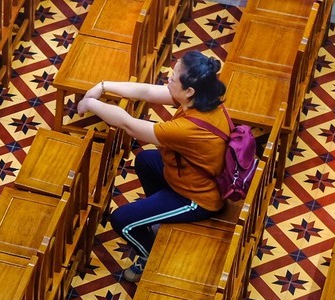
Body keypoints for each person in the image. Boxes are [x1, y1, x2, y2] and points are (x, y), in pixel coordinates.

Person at [77, 51, 231, 282]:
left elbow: (128, 124)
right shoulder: (202, 101)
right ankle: (160, 218)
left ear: (189, 91)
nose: (169, 76)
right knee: (145, 160)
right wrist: (102, 86)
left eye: (175, 75)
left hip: (197, 199)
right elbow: (147, 91)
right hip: (186, 175)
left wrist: (90, 103)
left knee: (122, 221)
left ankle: (148, 256)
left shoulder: (186, 130)